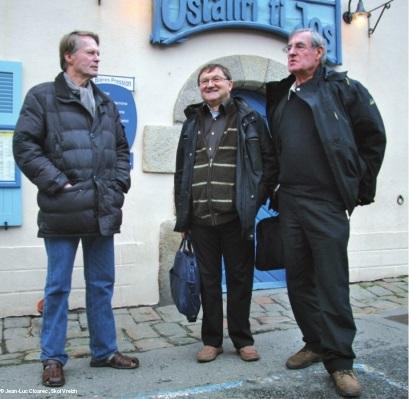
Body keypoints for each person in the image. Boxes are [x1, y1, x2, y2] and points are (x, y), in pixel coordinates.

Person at [13, 31, 139, 388]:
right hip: (62, 208)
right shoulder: (42, 97)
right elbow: (24, 146)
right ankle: (52, 357)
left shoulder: (106, 102)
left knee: (101, 284)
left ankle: (104, 351)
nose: (98, 57)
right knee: (57, 287)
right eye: (91, 51)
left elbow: (120, 149)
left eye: (99, 51)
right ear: (69, 56)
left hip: (102, 207)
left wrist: (118, 185)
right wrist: (58, 183)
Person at [266, 29, 386, 397]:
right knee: (298, 279)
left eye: (299, 47)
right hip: (292, 201)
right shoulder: (283, 95)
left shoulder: (343, 89)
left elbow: (373, 138)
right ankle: (315, 342)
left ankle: (341, 362)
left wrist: (356, 190)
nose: (291, 53)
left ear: (319, 53)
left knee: (331, 281)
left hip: (327, 202)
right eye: (288, 48)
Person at [174, 63, 275, 363]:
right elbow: (182, 171)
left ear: (230, 84)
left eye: (216, 79)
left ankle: (243, 339)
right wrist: (183, 216)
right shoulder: (192, 123)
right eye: (204, 80)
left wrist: (255, 202)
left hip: (236, 219)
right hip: (201, 219)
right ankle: (212, 340)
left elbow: (269, 164)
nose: (209, 84)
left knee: (240, 279)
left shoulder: (251, 119)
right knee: (208, 282)